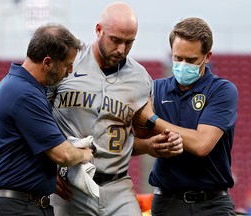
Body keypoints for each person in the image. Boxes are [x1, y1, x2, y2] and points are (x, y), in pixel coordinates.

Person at [48, 2, 183, 216]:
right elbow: (33, 120)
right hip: (69, 186)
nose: (122, 49)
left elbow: (127, 141)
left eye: (129, 43)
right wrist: (44, 167)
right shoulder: (68, 60)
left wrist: (149, 144)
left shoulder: (140, 79)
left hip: (117, 186)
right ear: (99, 30)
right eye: (116, 40)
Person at [0, 24, 94, 216]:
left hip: (17, 203)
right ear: (47, 62)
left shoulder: (17, 85)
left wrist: (45, 175)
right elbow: (63, 155)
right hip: (14, 207)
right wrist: (85, 154)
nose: (70, 71)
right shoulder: (25, 95)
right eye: (67, 64)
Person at [134, 17, 238, 216]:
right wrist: (152, 146)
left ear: (207, 56)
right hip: (167, 203)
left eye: (191, 60)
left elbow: (201, 145)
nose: (183, 65)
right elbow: (135, 142)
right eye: (177, 58)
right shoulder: (155, 89)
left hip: (213, 205)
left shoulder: (222, 90)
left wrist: (153, 120)